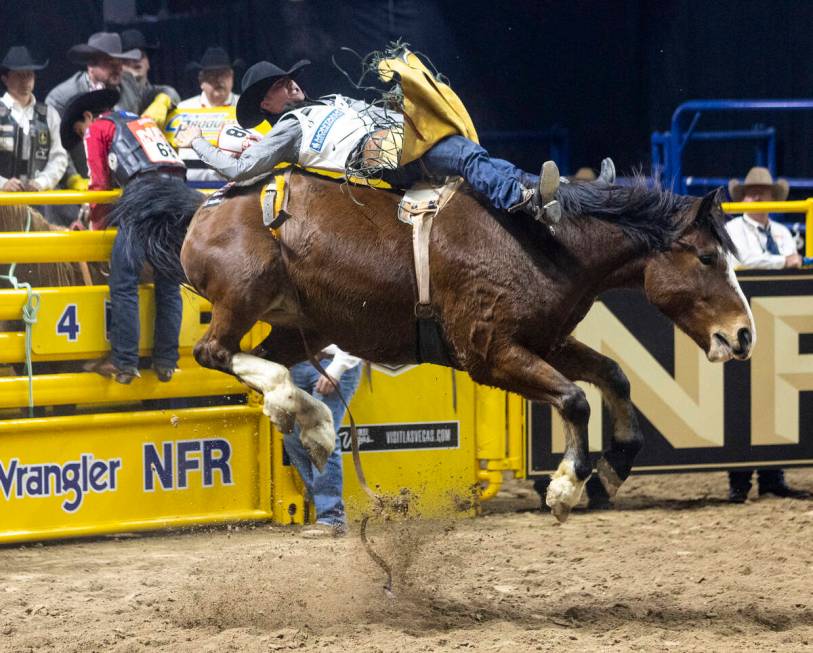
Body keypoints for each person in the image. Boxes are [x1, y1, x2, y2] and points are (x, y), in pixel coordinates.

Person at [174, 59, 562, 224]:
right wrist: (197, 143)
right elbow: (239, 168)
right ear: (266, 103)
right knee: (462, 153)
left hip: (393, 138)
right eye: (280, 84)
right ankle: (520, 202)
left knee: (474, 155)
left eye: (291, 78)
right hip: (376, 158)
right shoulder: (287, 130)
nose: (292, 83)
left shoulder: (328, 102)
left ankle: (541, 192)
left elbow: (375, 111)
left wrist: (399, 100)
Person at [62, 89, 195, 384]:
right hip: (179, 193)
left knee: (123, 282)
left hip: (145, 195)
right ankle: (166, 361)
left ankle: (124, 362)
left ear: (87, 117)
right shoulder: (141, 121)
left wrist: (98, 228)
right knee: (169, 283)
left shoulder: (98, 127)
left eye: (79, 130)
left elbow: (98, 183)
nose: (83, 134)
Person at [724, 166, 810, 503]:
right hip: (743, 321)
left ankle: (773, 477)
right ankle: (739, 480)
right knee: (740, 395)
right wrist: (783, 263)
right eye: (750, 192)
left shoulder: (784, 231)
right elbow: (745, 261)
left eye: (762, 192)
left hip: (779, 326)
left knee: (776, 398)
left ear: (773, 199)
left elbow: (793, 262)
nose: (755, 197)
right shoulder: (732, 228)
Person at [284, 346, 362, 537]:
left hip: (332, 360)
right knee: (292, 438)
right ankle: (325, 506)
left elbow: (356, 330)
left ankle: (331, 517)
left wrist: (338, 367)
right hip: (299, 363)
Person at [0, 46, 67, 193]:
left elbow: (59, 157)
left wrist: (42, 181)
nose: (25, 80)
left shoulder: (49, 114)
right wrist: (3, 183)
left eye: (29, 75)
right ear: (5, 79)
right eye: (19, 75)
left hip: (38, 200)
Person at [177, 47, 242, 184]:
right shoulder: (182, 109)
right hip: (188, 188)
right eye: (212, 75)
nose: (218, 80)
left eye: (223, 74)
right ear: (201, 81)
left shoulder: (244, 109)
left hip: (233, 189)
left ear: (232, 76)